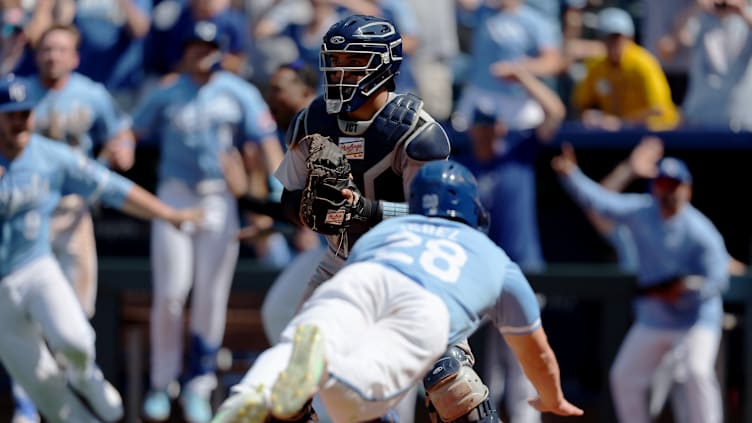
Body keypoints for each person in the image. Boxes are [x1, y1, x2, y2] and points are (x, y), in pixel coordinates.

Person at [210, 160, 584, 423]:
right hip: (423, 307)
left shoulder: (387, 230)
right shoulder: (493, 257)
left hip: (358, 279)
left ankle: (250, 394)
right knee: (372, 398)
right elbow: (537, 355)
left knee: (298, 345)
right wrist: (552, 398)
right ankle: (331, 371)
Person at [273, 14, 499, 423]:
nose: (339, 72)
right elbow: (288, 201)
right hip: (340, 267)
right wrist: (309, 207)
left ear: (383, 66)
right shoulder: (313, 120)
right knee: (286, 388)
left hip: (409, 271)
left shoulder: (416, 131)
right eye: (334, 62)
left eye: (352, 62)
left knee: (455, 389)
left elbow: (440, 225)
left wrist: (366, 211)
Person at [0, 76, 200, 423]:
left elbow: (112, 188)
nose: (19, 121)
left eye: (25, 113)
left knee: (75, 340)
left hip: (34, 266)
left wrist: (167, 214)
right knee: (43, 391)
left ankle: (86, 375)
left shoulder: (51, 156)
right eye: (10, 114)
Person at [131, 20, 284, 423]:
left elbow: (265, 140)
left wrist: (274, 195)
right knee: (170, 292)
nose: (203, 52)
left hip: (219, 197)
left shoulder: (238, 91)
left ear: (221, 50)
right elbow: (132, 131)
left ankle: (198, 383)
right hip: (175, 193)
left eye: (210, 46)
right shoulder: (166, 92)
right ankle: (163, 381)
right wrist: (121, 144)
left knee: (211, 295)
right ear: (184, 50)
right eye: (196, 46)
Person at [8, 23, 137, 423]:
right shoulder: (19, 94)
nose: (52, 56)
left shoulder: (91, 94)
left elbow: (122, 132)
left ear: (75, 56)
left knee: (75, 316)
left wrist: (124, 149)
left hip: (74, 211)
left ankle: (81, 387)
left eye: (61, 49)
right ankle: (27, 404)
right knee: (23, 320)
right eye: (46, 49)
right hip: (26, 212)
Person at [551, 146, 730, 423]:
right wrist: (572, 175)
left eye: (674, 184)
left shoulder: (699, 231)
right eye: (662, 183)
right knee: (624, 376)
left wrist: (688, 291)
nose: (668, 190)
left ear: (688, 190)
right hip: (655, 316)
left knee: (696, 371)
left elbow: (718, 278)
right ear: (654, 186)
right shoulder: (642, 211)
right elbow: (601, 202)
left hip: (695, 318)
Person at [460, 63, 565, 423]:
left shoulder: (517, 153)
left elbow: (555, 112)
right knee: (485, 376)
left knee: (522, 374)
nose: (488, 131)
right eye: (482, 125)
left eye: (493, 125)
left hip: (523, 274)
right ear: (472, 129)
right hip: (479, 281)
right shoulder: (461, 168)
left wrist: (522, 77)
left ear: (501, 127)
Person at [572, 7, 680, 131]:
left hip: (653, 135)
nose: (613, 43)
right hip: (614, 138)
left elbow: (660, 111)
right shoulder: (596, 65)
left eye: (617, 38)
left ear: (630, 38)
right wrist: (590, 117)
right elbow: (581, 104)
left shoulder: (643, 64)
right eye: (608, 38)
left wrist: (622, 123)